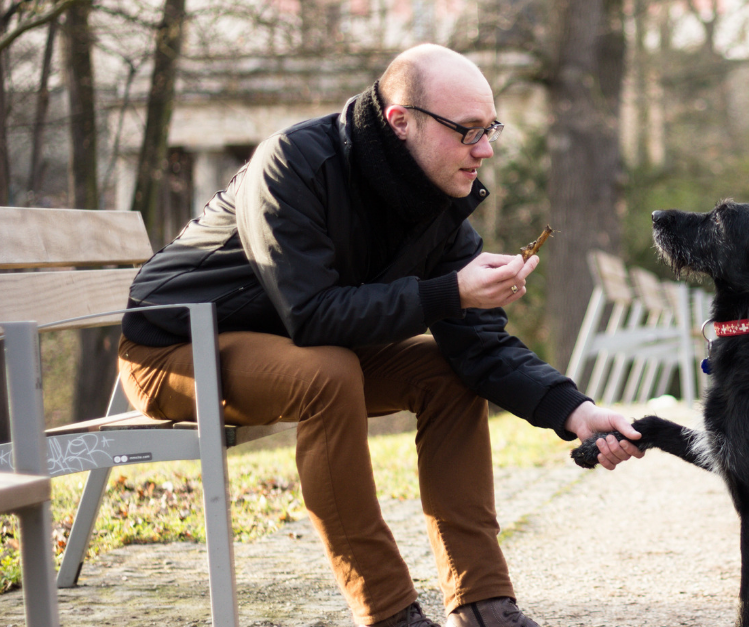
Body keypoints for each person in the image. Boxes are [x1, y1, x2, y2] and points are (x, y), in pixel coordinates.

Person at [117, 43, 644, 627]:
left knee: (447, 370)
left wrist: (575, 411)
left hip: (301, 352)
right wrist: (451, 292)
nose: (485, 149)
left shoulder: (437, 199)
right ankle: (388, 610)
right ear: (401, 122)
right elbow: (312, 316)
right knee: (328, 372)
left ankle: (481, 600)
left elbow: (481, 345)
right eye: (468, 131)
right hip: (173, 350)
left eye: (489, 128)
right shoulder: (294, 163)